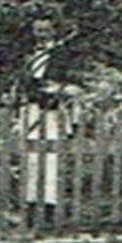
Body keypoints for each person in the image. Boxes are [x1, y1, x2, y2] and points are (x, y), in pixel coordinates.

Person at [19, 14, 81, 219]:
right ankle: (30, 202)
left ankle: (49, 204)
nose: (41, 36)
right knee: (31, 156)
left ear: (54, 32)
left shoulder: (65, 54)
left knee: (51, 156)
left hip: (53, 111)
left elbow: (75, 84)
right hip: (31, 109)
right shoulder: (29, 55)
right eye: (37, 31)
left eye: (45, 31)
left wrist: (60, 89)